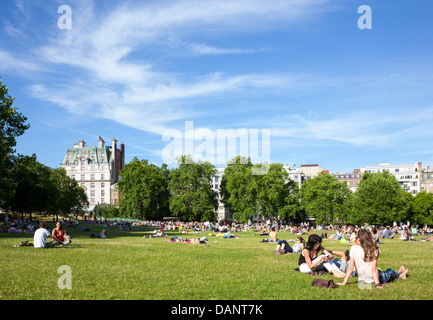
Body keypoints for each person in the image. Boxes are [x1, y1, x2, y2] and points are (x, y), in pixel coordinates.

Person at [337, 229, 408, 289]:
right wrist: (377, 284)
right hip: (374, 278)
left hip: (362, 280)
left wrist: (344, 282)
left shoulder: (353, 248)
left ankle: (400, 274)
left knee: (386, 273)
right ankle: (400, 273)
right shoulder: (373, 249)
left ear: (359, 239)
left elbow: (350, 268)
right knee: (389, 272)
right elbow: (374, 269)